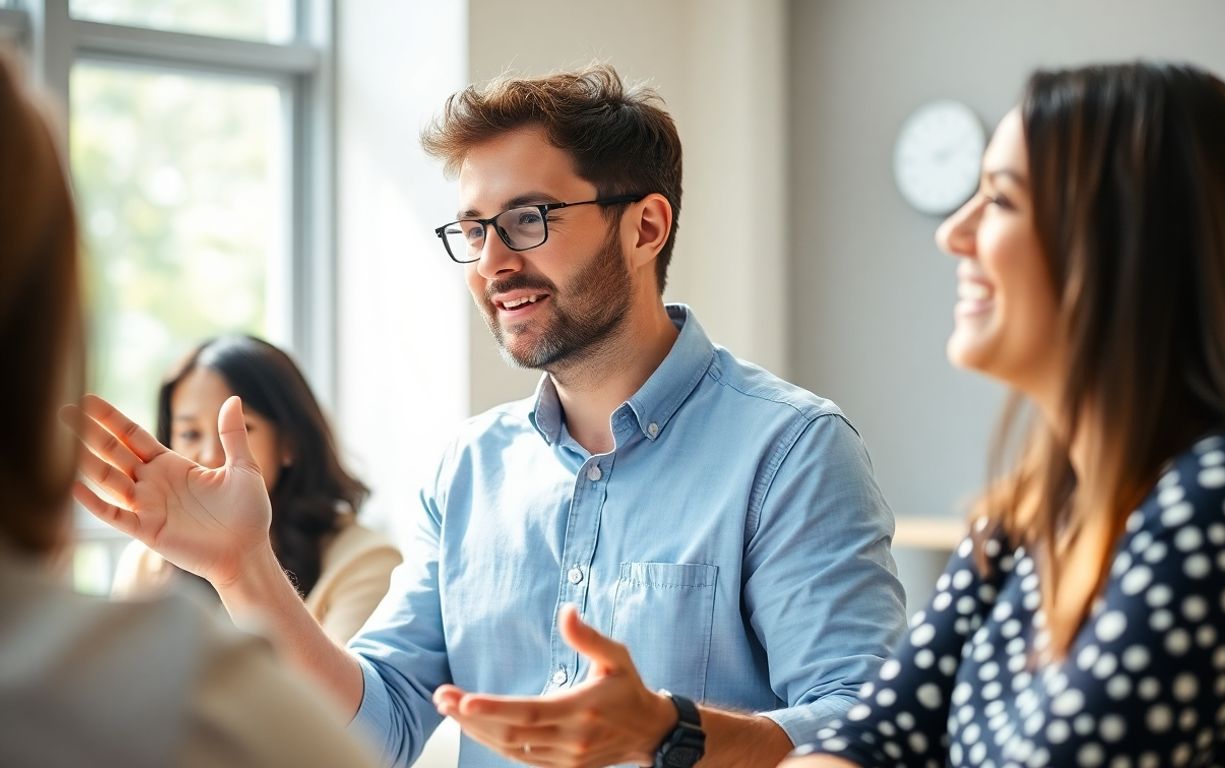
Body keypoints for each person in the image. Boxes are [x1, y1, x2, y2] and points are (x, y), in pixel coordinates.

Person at [71, 64, 908, 768]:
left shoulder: (791, 452)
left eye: (528, 220)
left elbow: (872, 735)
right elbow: (375, 731)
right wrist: (238, 567)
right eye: (474, 230)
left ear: (647, 226)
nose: (494, 264)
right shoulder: (468, 469)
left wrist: (672, 733)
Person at [782, 61, 1225, 767]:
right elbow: (872, 738)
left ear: (1126, 246)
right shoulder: (1026, 516)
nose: (953, 234)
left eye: (999, 200)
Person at [0, 50, 376, 768]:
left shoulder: (357, 560)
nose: (201, 454)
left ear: (289, 441)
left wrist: (241, 565)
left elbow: (363, 731)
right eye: (187, 431)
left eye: (225, 431)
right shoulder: (161, 633)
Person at [111, 334, 402, 644]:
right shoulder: (147, 562)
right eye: (190, 433)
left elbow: (342, 693)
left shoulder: (366, 562)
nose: (210, 455)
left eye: (242, 429)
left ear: (289, 442)